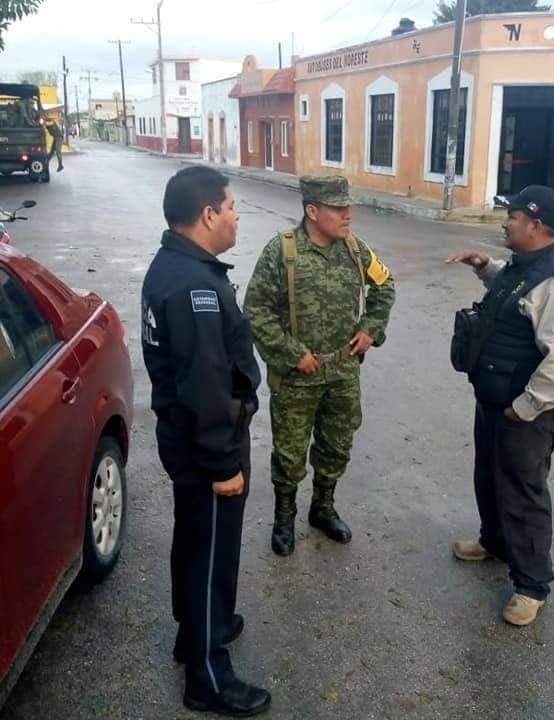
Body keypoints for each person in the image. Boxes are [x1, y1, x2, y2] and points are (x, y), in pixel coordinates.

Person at [141, 166, 271, 717]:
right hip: (206, 444)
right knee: (211, 551)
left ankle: (196, 629)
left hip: (189, 437)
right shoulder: (193, 285)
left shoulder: (176, 264)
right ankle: (208, 676)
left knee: (196, 541)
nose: (238, 215)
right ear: (208, 214)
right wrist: (222, 463)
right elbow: (204, 385)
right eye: (232, 206)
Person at [446, 185, 554, 627]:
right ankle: (494, 542)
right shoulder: (527, 266)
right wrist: (485, 267)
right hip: (494, 400)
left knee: (523, 492)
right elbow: (516, 292)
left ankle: (531, 585)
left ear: (537, 224)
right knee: (488, 476)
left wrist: (525, 407)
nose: (505, 222)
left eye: (512, 216)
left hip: (523, 414)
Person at [244, 175, 396, 557]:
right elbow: (256, 310)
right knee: (290, 452)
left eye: (348, 206)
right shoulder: (282, 252)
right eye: (337, 208)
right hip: (298, 377)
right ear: (312, 211)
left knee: (336, 445)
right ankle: (284, 516)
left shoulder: (355, 249)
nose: (348, 215)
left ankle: (323, 508)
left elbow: (385, 286)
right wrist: (293, 354)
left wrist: (370, 330)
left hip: (343, 373)